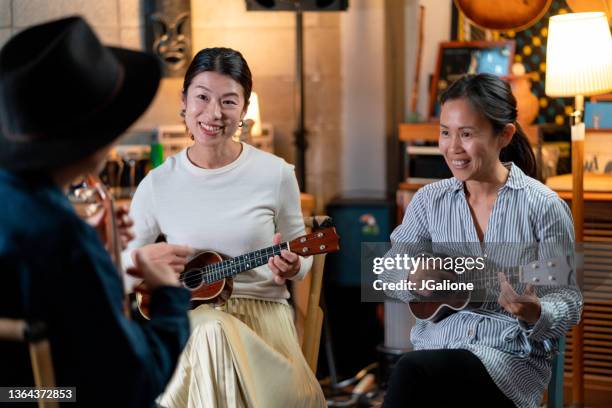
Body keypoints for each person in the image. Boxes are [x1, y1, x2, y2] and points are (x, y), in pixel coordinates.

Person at [0, 17, 191, 406]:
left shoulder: (36, 216)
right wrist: (170, 295)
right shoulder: (66, 240)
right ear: (98, 141)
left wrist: (93, 242)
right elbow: (133, 382)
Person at [122, 47, 326, 407]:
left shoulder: (275, 174)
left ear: (245, 110)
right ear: (184, 101)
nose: (214, 113)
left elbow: (302, 255)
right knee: (210, 330)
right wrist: (141, 260)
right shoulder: (157, 184)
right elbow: (122, 273)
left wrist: (295, 264)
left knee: (213, 334)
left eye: (229, 102)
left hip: (264, 331)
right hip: (191, 330)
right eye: (202, 97)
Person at [382, 73, 582, 408]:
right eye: (445, 133)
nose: (452, 147)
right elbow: (387, 272)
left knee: (411, 373)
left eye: (467, 134)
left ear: (504, 135)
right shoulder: (428, 201)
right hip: (439, 349)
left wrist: (536, 311)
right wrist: (411, 278)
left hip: (510, 359)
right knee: (419, 375)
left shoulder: (543, 207)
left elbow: (568, 301)